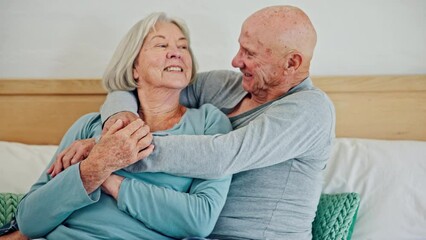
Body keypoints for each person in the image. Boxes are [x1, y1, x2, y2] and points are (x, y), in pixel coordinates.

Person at [46, 5, 335, 240]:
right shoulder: (226, 86)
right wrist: (116, 125)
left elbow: (222, 155)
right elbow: (148, 83)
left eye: (250, 54)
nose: (236, 61)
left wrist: (110, 154)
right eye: (239, 48)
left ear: (292, 63)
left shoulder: (310, 110)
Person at [4, 12, 233, 240]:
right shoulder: (89, 126)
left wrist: (105, 174)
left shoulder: (208, 123)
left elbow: (199, 220)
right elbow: (29, 221)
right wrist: (91, 170)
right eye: (161, 45)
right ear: (134, 67)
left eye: (183, 47)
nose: (176, 53)